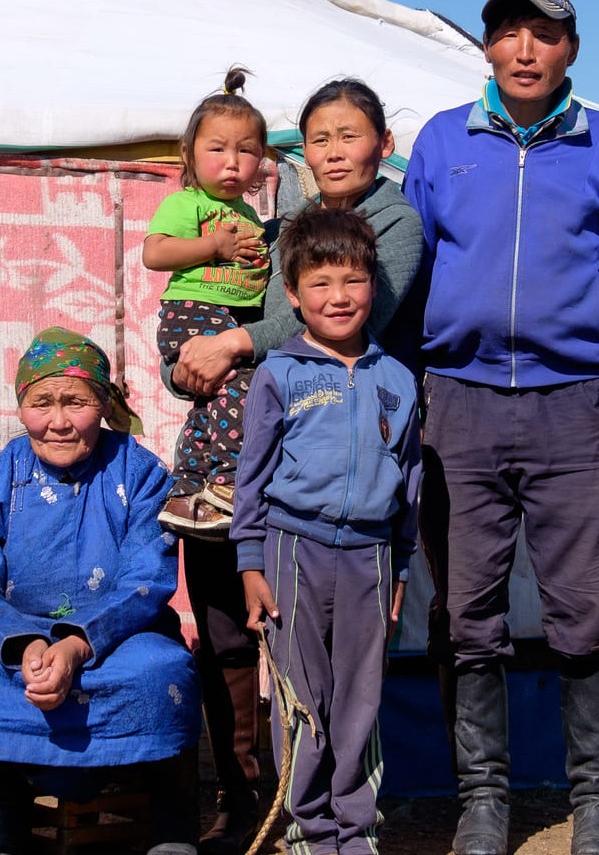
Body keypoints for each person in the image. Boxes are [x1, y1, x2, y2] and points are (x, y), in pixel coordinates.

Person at [402, 0, 599, 855]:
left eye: (545, 35)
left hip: (573, 406)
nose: (526, 50)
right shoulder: (444, 140)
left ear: (570, 51)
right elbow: (403, 277)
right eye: (510, 33)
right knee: (467, 610)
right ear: (486, 48)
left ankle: (597, 800)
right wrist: (396, 392)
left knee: (582, 610)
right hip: (459, 403)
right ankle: (482, 800)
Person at [165, 77, 424, 854]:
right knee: (286, 681)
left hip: (364, 526)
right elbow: (268, 312)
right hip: (285, 529)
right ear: (302, 153)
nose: (335, 150)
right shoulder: (281, 227)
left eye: (351, 134)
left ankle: (350, 826)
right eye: (319, 137)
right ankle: (286, 814)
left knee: (355, 695)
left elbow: (299, 322)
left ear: (383, 142)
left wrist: (228, 343)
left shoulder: (394, 226)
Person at [0, 328, 201, 855]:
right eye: (42, 402)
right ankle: (11, 804)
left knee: (163, 673)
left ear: (103, 406)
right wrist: (23, 645)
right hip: (18, 641)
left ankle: (173, 817)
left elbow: (146, 580)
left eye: (75, 402)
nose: (58, 421)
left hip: (121, 637)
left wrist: (76, 643)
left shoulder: (143, 472)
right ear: (22, 409)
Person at [232, 205, 422, 855]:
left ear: (373, 284)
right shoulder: (278, 374)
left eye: (353, 280)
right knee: (302, 698)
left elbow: (411, 483)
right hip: (291, 550)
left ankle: (357, 832)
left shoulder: (397, 380)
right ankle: (309, 830)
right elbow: (251, 478)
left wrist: (399, 568)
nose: (338, 297)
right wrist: (250, 563)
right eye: (320, 283)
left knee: (361, 700)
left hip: (370, 555)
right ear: (293, 295)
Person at [144, 65, 273, 538]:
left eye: (246, 151)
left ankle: (187, 490)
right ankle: (227, 485)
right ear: (190, 154)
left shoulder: (249, 215)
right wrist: (212, 247)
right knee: (243, 387)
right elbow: (153, 253)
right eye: (217, 149)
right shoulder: (187, 203)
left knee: (210, 405)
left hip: (227, 316)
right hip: (192, 312)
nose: (232, 162)